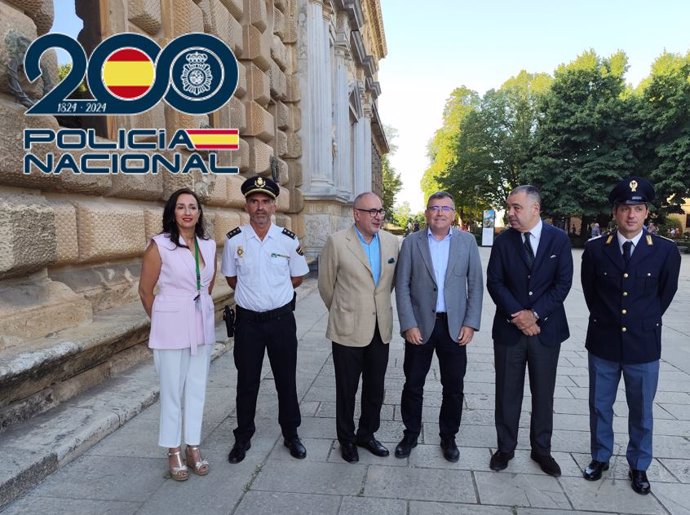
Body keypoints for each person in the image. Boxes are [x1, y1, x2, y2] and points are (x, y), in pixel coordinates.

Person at [580, 176, 681, 495]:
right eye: (624, 208)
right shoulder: (597, 250)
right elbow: (590, 293)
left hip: (643, 345)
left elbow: (665, 294)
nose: (631, 215)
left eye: (637, 209)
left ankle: (639, 466)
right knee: (599, 405)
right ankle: (600, 457)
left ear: (647, 212)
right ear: (615, 212)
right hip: (604, 342)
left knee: (641, 410)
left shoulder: (665, 252)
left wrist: (642, 321)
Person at [221, 176, 310, 463]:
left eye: (265, 201)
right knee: (247, 382)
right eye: (254, 201)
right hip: (248, 324)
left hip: (281, 322)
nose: (260, 207)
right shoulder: (234, 240)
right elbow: (232, 278)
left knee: (286, 380)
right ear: (246, 205)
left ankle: (291, 434)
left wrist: (273, 294)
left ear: (274, 205)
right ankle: (243, 436)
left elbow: (296, 277)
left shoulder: (287, 240)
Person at [486, 185, 573, 477]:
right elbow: (495, 282)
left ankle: (541, 450)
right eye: (508, 207)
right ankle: (505, 448)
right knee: (507, 392)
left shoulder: (558, 240)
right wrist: (518, 316)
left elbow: (563, 283)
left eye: (515, 207)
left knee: (543, 393)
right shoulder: (503, 241)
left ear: (535, 208)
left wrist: (534, 314)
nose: (509, 213)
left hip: (545, 331)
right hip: (510, 331)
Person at [394, 192, 483, 462]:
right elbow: (402, 286)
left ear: (453, 214)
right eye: (434, 208)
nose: (440, 213)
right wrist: (408, 323)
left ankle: (448, 437)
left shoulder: (467, 242)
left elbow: (476, 285)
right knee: (413, 384)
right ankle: (411, 433)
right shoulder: (412, 242)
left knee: (453, 386)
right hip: (420, 326)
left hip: (454, 327)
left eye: (445, 208)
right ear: (426, 214)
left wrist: (471, 323)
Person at [138, 188, 217, 481]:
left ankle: (193, 445)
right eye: (181, 207)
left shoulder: (208, 245)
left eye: (192, 207)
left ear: (199, 213)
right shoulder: (159, 246)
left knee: (196, 388)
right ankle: (173, 449)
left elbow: (206, 286)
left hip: (201, 324)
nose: (187, 212)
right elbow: (145, 292)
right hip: (171, 326)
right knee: (172, 390)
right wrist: (164, 318)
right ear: (173, 212)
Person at [318, 192, 399, 463]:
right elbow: (326, 286)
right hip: (347, 329)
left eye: (380, 211)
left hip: (380, 329)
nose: (378, 216)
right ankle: (347, 439)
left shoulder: (391, 243)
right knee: (347, 389)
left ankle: (367, 434)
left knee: (375, 388)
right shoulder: (338, 242)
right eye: (372, 211)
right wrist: (344, 311)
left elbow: (390, 284)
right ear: (356, 214)